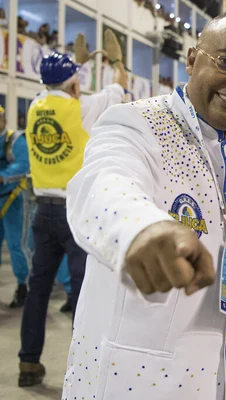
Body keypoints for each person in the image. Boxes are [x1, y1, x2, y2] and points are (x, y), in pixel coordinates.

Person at [62, 12, 226, 400]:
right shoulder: (136, 123)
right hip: (135, 381)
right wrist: (140, 229)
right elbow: (103, 182)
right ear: (193, 60)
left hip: (219, 378)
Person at [18, 29, 128, 387]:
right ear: (74, 85)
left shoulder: (35, 107)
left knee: (38, 290)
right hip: (75, 212)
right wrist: (116, 61)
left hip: (41, 211)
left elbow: (58, 86)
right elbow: (120, 85)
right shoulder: (83, 106)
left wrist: (76, 64)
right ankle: (85, 371)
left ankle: (28, 364)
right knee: (85, 293)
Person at [0, 106, 30, 308]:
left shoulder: (14, 140)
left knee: (16, 245)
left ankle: (23, 286)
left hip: (12, 199)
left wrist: (2, 177)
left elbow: (24, 164)